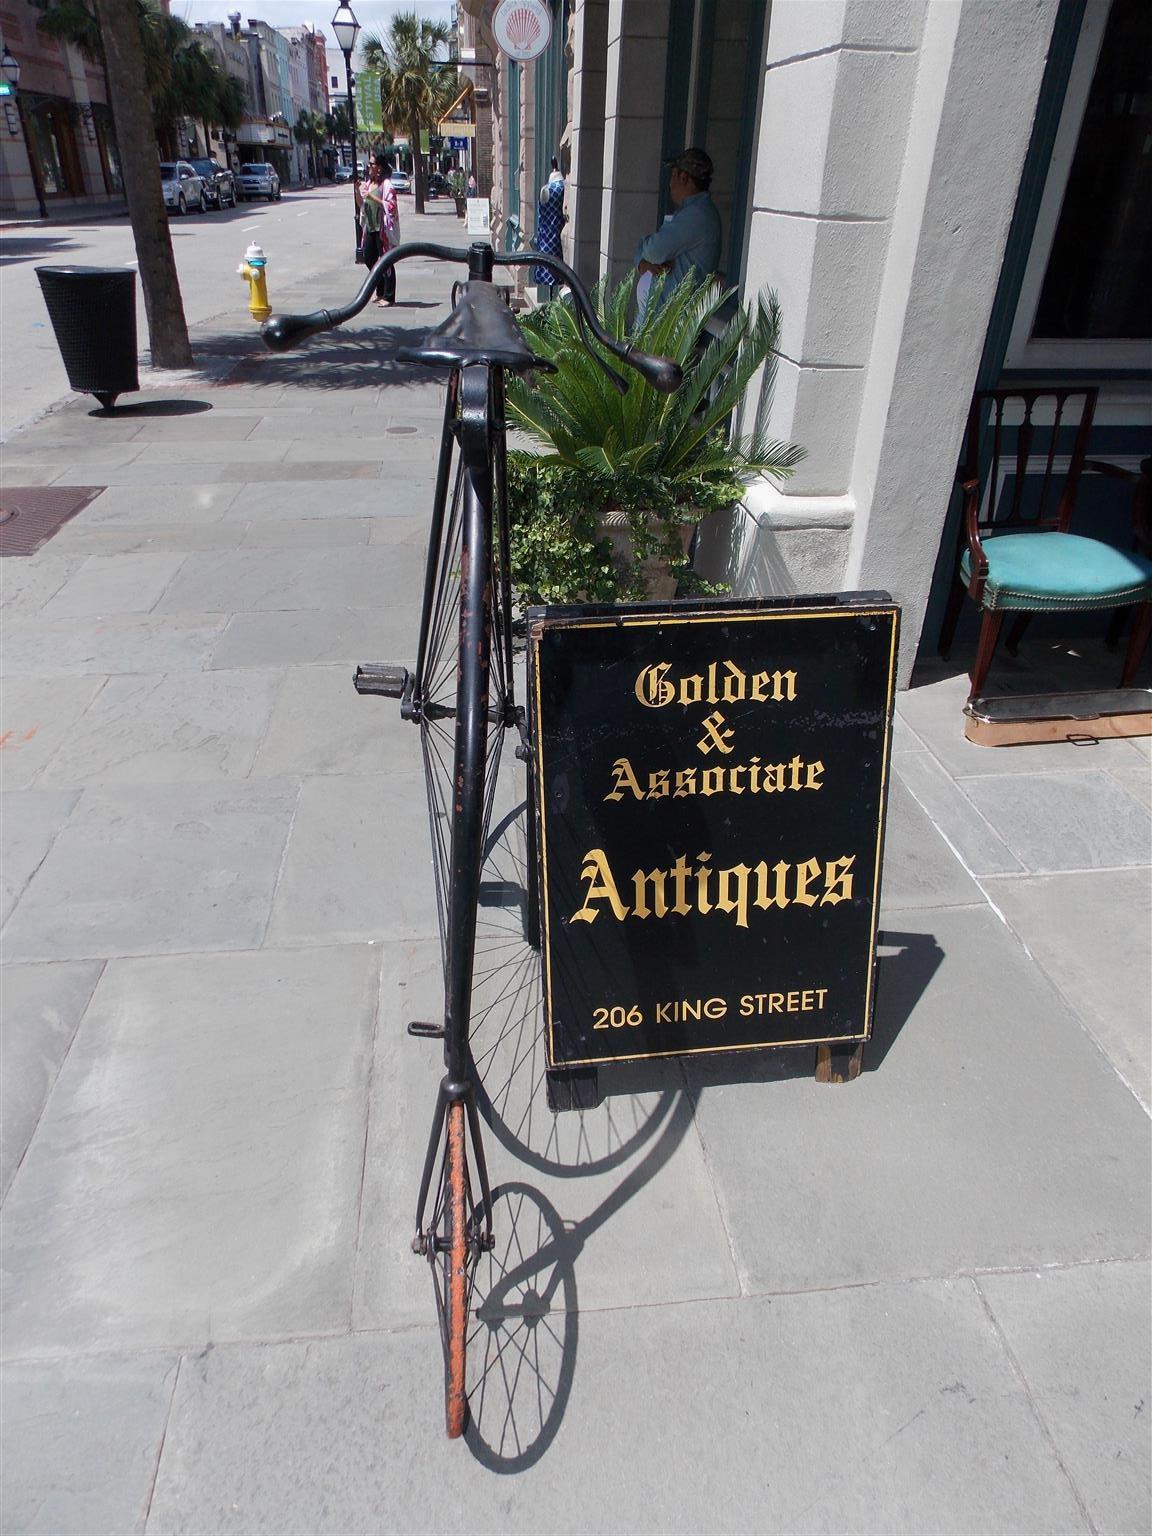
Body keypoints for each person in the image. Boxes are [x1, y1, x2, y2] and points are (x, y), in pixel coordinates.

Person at [634, 147, 722, 312]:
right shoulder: (689, 213)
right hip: (659, 322)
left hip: (672, 326)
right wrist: (644, 262)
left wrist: (647, 250)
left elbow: (653, 250)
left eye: (673, 175)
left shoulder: (697, 216)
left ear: (684, 178)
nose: (670, 183)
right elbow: (646, 251)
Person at [359, 158, 398, 307]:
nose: (369, 166)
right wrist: (358, 191)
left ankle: (389, 296)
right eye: (369, 163)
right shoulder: (369, 183)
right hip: (370, 226)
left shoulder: (386, 184)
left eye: (372, 163)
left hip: (382, 228)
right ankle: (380, 289)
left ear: (379, 167)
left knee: (386, 261)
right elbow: (362, 203)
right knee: (369, 258)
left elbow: (391, 205)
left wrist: (371, 196)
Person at [533, 158, 566, 289]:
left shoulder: (547, 189)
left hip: (548, 241)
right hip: (557, 240)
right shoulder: (563, 187)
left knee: (551, 271)